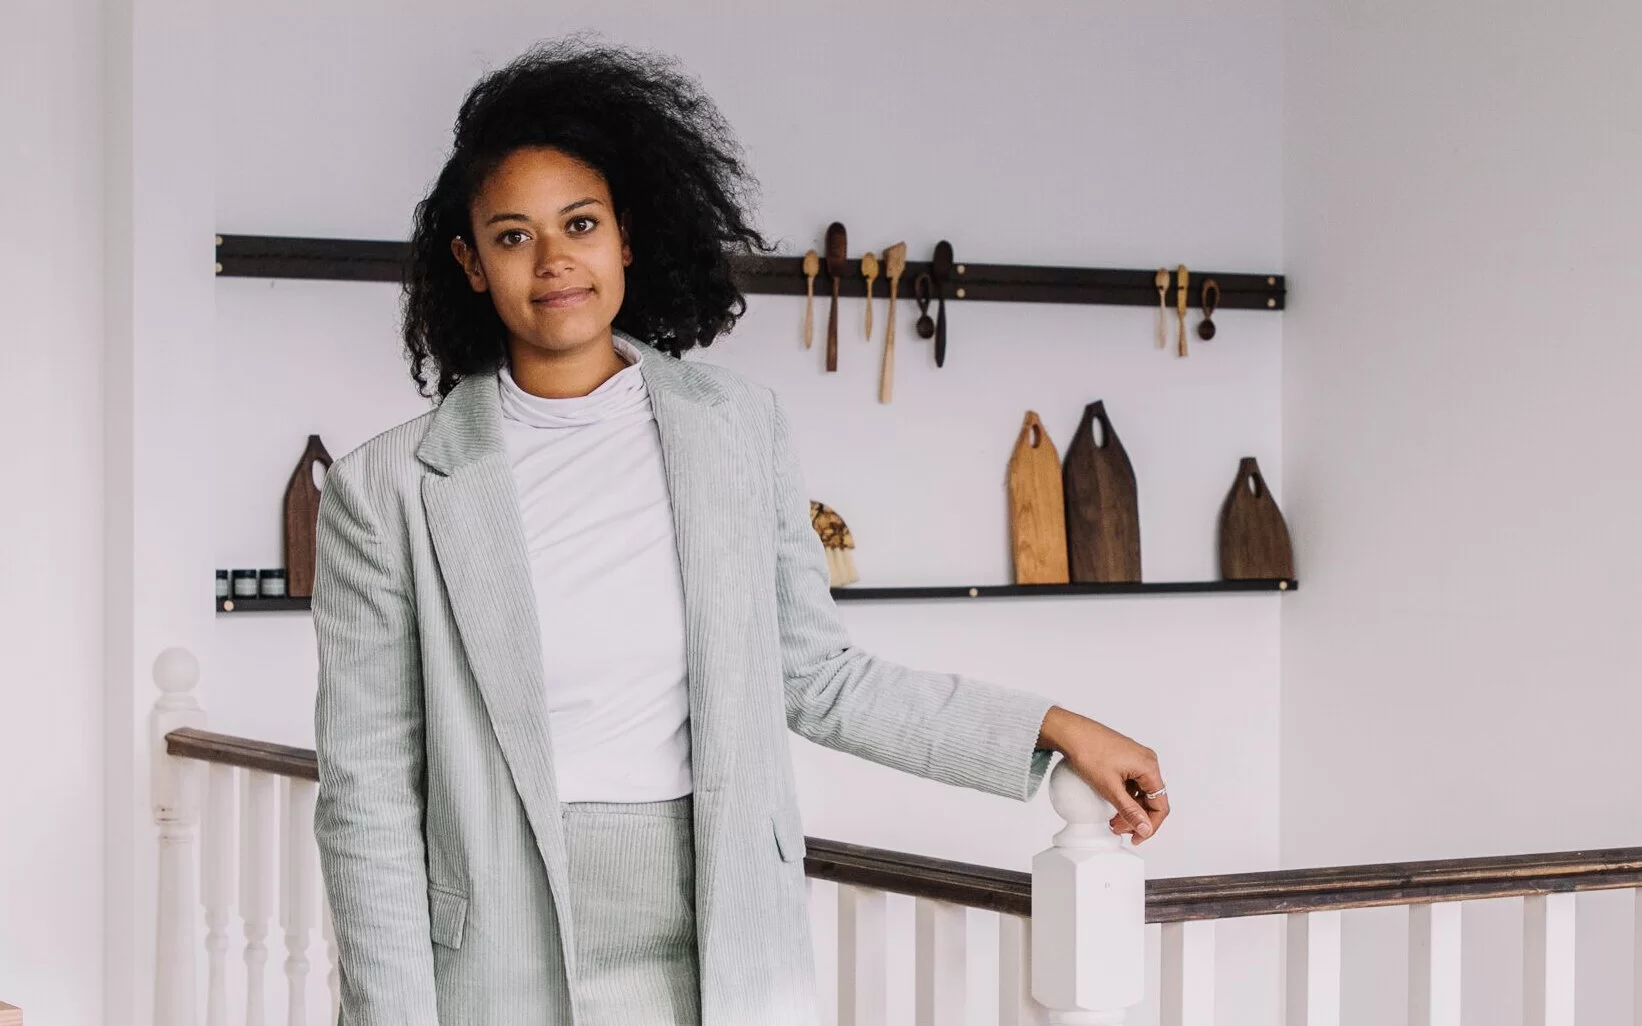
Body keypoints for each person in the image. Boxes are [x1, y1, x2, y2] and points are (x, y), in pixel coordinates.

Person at [312, 35, 1169, 1026]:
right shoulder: (388, 492)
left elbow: (815, 675)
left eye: (579, 224)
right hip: (494, 963)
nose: (554, 261)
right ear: (469, 263)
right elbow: (368, 794)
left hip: (726, 941)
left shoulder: (737, 428)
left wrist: (1047, 727)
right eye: (512, 236)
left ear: (625, 237)